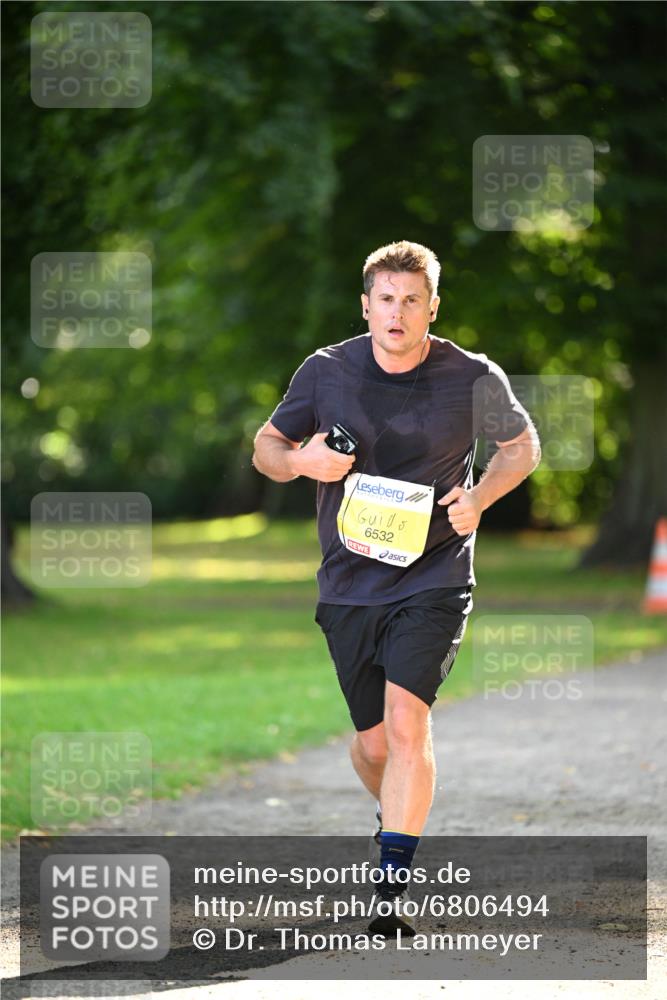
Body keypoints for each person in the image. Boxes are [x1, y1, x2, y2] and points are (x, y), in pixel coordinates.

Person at [252, 240, 541, 935]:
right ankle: (396, 816)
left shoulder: (469, 376)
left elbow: (521, 446)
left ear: (431, 308)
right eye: (385, 298)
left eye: (412, 300)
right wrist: (301, 460)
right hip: (349, 583)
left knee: (409, 725)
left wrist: (480, 498)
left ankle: (389, 892)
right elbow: (264, 447)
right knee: (376, 746)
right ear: (366, 305)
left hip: (434, 576)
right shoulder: (325, 371)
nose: (397, 312)